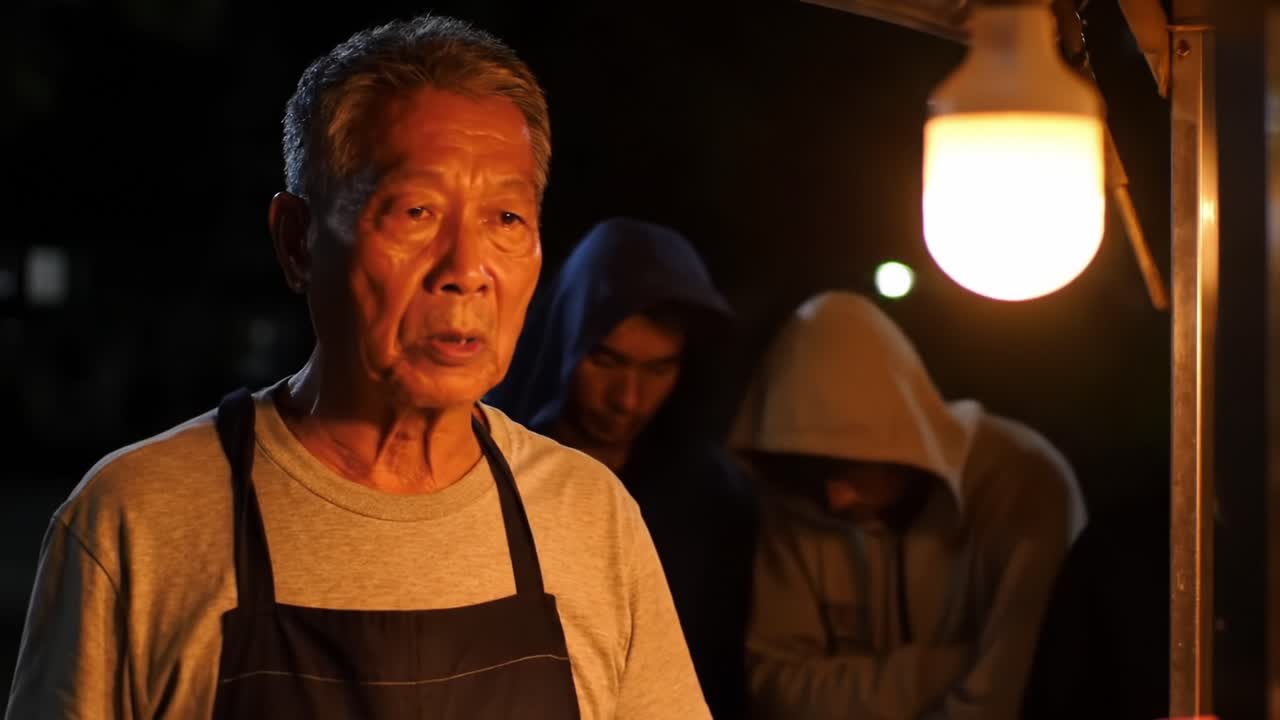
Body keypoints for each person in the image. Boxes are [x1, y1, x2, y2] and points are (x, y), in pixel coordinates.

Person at [5, 16, 709, 720]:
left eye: (506, 220)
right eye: (415, 211)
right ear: (297, 242)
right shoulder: (139, 521)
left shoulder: (592, 517)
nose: (466, 272)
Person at [729, 291, 1086, 720]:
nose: (834, 498)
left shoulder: (1022, 483)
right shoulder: (797, 498)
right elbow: (777, 692)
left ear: (899, 434)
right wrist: (949, 665)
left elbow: (1003, 702)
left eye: (852, 467)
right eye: (815, 469)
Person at [487, 217, 757, 718]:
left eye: (658, 369)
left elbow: (721, 670)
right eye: (606, 362)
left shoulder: (715, 500)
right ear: (566, 343)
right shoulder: (483, 472)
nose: (628, 400)